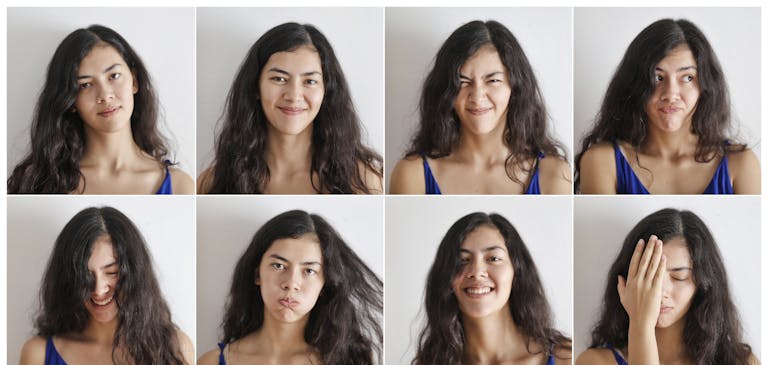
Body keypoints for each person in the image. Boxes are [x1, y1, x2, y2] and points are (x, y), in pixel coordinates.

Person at [575, 208, 760, 365]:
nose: (660, 292)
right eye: (648, 274)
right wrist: (641, 323)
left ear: (703, 284)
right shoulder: (596, 364)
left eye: (680, 276)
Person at [576, 18, 760, 194]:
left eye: (687, 78)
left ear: (706, 85)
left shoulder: (741, 164)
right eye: (658, 78)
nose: (671, 94)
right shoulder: (602, 161)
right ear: (634, 85)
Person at [197, 210, 381, 365]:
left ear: (325, 284)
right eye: (278, 266)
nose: (291, 283)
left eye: (309, 270)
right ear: (257, 274)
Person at [198, 22, 382, 194]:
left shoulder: (364, 181)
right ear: (256, 87)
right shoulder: (211, 183)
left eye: (310, 81)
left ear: (327, 91)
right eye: (279, 79)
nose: (294, 95)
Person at [389, 20, 570, 195]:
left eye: (493, 80)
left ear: (515, 87)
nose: (477, 96)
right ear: (446, 90)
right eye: (463, 81)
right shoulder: (412, 175)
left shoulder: (555, 176)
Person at [8, 25, 193, 194]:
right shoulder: (38, 183)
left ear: (134, 81)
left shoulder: (180, 186)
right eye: (86, 84)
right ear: (71, 100)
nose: (105, 95)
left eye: (114, 75)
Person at [18, 206, 194, 365]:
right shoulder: (37, 355)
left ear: (135, 274)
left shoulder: (176, 349)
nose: (98, 289)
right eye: (85, 276)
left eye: (112, 272)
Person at [408, 212, 571, 365]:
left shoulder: (565, 360)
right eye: (462, 260)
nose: (477, 272)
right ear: (446, 277)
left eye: (493, 258)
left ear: (516, 271)